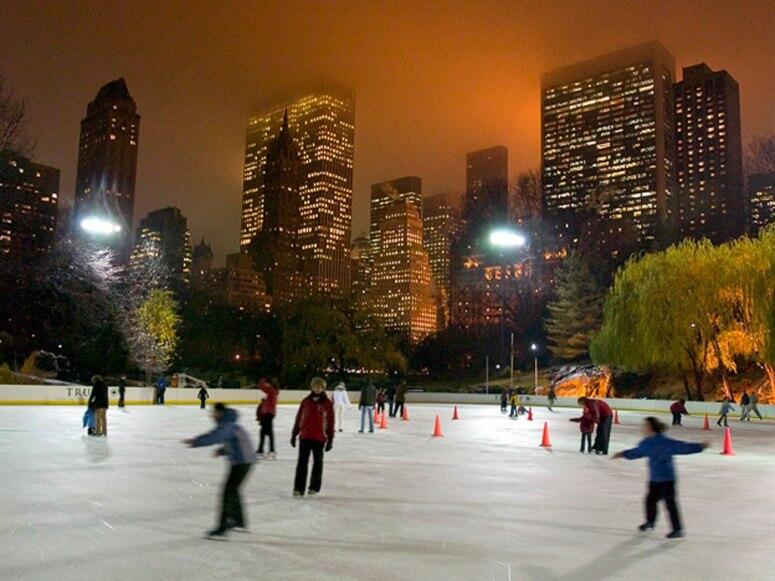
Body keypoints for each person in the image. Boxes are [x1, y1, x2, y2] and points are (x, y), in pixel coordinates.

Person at [613, 417, 708, 539]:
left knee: (670, 504)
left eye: (645, 426)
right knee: (650, 501)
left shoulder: (664, 442)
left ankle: (677, 529)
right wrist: (623, 454)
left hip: (667, 479)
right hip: (654, 479)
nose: (643, 428)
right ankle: (650, 522)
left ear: (651, 428)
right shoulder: (646, 443)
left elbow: (682, 447)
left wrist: (699, 447)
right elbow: (637, 452)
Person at [183, 403, 255, 539]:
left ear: (220, 413)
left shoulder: (226, 425)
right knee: (233, 491)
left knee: (228, 492)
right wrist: (222, 451)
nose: (211, 415)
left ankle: (222, 530)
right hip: (245, 461)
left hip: (242, 462)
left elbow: (214, 437)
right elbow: (235, 442)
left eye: (213, 412)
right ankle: (239, 522)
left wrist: (195, 441)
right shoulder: (231, 424)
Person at [291, 377, 335, 497]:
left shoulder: (327, 403)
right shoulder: (306, 401)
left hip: (319, 438)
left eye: (320, 387)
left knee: (318, 463)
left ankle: (314, 487)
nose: (317, 389)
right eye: (315, 386)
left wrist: (330, 438)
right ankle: (298, 488)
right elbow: (299, 418)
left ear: (323, 388)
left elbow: (330, 421)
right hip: (305, 436)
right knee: (302, 463)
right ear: (311, 387)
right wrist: (294, 433)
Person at [256, 378, 278, 458]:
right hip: (268, 415)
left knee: (266, 433)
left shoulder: (271, 392)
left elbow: (263, 387)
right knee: (266, 433)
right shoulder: (273, 393)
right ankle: (266, 450)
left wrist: (262, 380)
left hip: (267, 415)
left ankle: (265, 451)